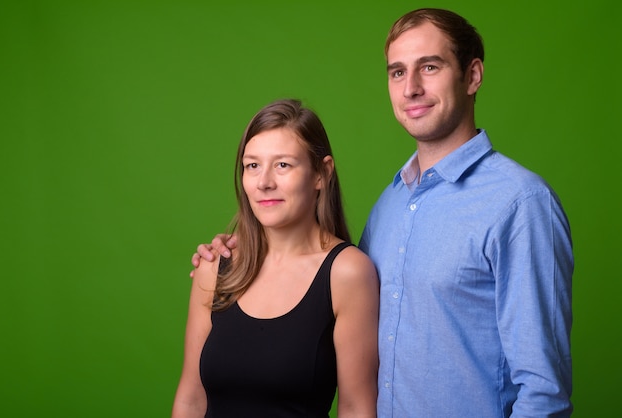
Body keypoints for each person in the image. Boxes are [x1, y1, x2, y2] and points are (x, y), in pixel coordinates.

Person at [192, 8, 573, 417]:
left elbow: (543, 392)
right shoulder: (390, 205)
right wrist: (244, 249)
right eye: (397, 72)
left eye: (429, 67)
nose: (410, 88)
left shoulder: (520, 203)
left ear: (473, 75)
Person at [172, 99, 379, 418]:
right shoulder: (216, 266)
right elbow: (191, 397)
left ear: (321, 174)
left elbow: (356, 407)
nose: (264, 182)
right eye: (252, 165)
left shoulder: (347, 272)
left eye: (283, 165)